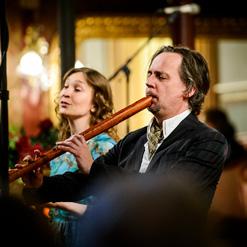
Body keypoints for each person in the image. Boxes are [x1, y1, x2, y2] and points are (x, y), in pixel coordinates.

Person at [21, 45, 228, 222]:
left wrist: (93, 168)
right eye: (149, 73)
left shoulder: (208, 141)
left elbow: (165, 195)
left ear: (189, 89)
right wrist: (39, 184)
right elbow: (83, 182)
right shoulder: (134, 140)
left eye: (161, 77)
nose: (149, 82)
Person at [21, 67, 118, 246]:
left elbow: (113, 209)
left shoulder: (105, 146)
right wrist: (36, 186)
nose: (66, 93)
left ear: (95, 103)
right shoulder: (62, 147)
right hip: (56, 232)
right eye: (65, 87)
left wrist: (60, 204)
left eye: (77, 88)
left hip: (86, 234)